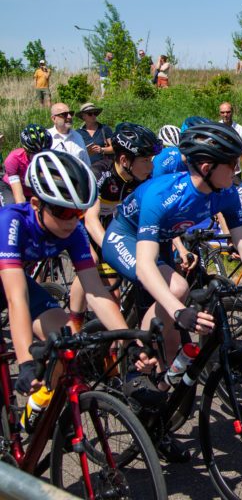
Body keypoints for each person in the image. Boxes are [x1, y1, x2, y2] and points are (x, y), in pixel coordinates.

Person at [102, 123, 242, 459]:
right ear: (207, 168)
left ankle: (157, 418)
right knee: (175, 287)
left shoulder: (224, 192)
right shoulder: (163, 194)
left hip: (160, 239)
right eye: (232, 165)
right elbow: (146, 267)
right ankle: (135, 356)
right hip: (125, 238)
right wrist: (178, 310)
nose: (238, 170)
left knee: (176, 349)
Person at [0, 150, 147, 397]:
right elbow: (16, 299)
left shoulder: (75, 231)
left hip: (15, 282)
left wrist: (130, 340)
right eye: (64, 213)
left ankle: (43, 406)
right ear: (36, 204)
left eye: (78, 213)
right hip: (9, 281)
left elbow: (96, 292)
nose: (73, 221)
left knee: (66, 337)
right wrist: (25, 360)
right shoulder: (11, 223)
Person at [68, 124, 160, 329]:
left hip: (110, 224)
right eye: (145, 161)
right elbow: (90, 220)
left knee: (114, 294)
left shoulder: (141, 179)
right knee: (90, 260)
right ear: (124, 160)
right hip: (81, 222)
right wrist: (116, 250)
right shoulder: (100, 173)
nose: (151, 167)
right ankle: (74, 324)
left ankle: (113, 348)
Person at [0, 124, 52, 206]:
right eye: (34, 153)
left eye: (43, 153)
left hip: (31, 190)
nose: (38, 156)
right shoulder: (14, 159)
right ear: (26, 150)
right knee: (12, 208)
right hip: (9, 187)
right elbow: (19, 198)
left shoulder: (51, 158)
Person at [218, 101, 242, 173]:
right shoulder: (215, 129)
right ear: (219, 113)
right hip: (218, 172)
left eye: (228, 112)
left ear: (232, 112)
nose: (225, 115)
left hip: (235, 172)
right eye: (222, 112)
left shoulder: (241, 130)